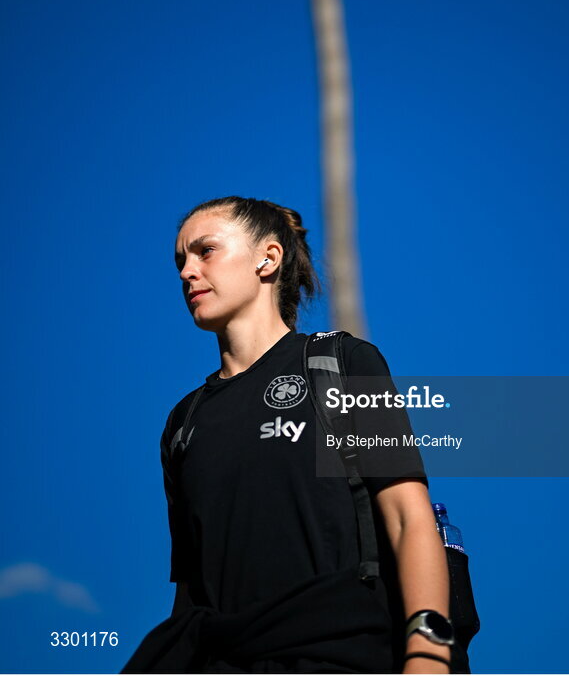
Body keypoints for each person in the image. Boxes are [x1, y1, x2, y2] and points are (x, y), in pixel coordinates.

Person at [122, 196, 454, 675]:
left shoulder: (342, 365)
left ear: (268, 259)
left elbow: (407, 517)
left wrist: (428, 656)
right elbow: (191, 593)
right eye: (180, 260)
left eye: (205, 251)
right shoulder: (183, 423)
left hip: (341, 655)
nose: (186, 272)